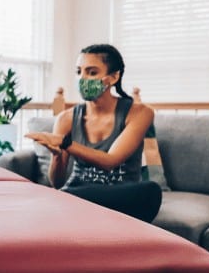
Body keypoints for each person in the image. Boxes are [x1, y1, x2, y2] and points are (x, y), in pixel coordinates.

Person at [25, 43, 162, 223]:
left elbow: (111, 161)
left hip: (118, 196)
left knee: (150, 192)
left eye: (92, 72)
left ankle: (71, 205)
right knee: (64, 194)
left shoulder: (139, 113)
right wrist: (57, 157)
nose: (83, 78)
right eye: (79, 72)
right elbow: (57, 183)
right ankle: (74, 206)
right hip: (77, 190)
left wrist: (66, 143)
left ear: (113, 77)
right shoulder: (66, 118)